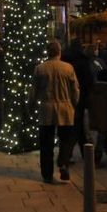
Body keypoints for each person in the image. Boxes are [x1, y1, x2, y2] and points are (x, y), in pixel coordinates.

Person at [28, 41, 79, 184]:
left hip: (46, 108)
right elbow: (75, 90)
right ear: (59, 52)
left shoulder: (40, 69)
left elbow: (34, 91)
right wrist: (74, 104)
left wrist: (31, 107)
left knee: (46, 143)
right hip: (65, 107)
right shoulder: (68, 68)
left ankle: (47, 173)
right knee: (66, 139)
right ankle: (63, 161)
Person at [86, 47, 107, 167]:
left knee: (102, 131)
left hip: (95, 109)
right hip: (105, 112)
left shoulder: (89, 65)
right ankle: (97, 156)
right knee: (102, 132)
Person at [62, 39, 94, 158]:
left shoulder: (64, 59)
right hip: (80, 96)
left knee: (78, 127)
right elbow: (89, 80)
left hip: (66, 96)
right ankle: (65, 157)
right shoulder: (82, 60)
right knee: (76, 128)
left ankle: (86, 156)